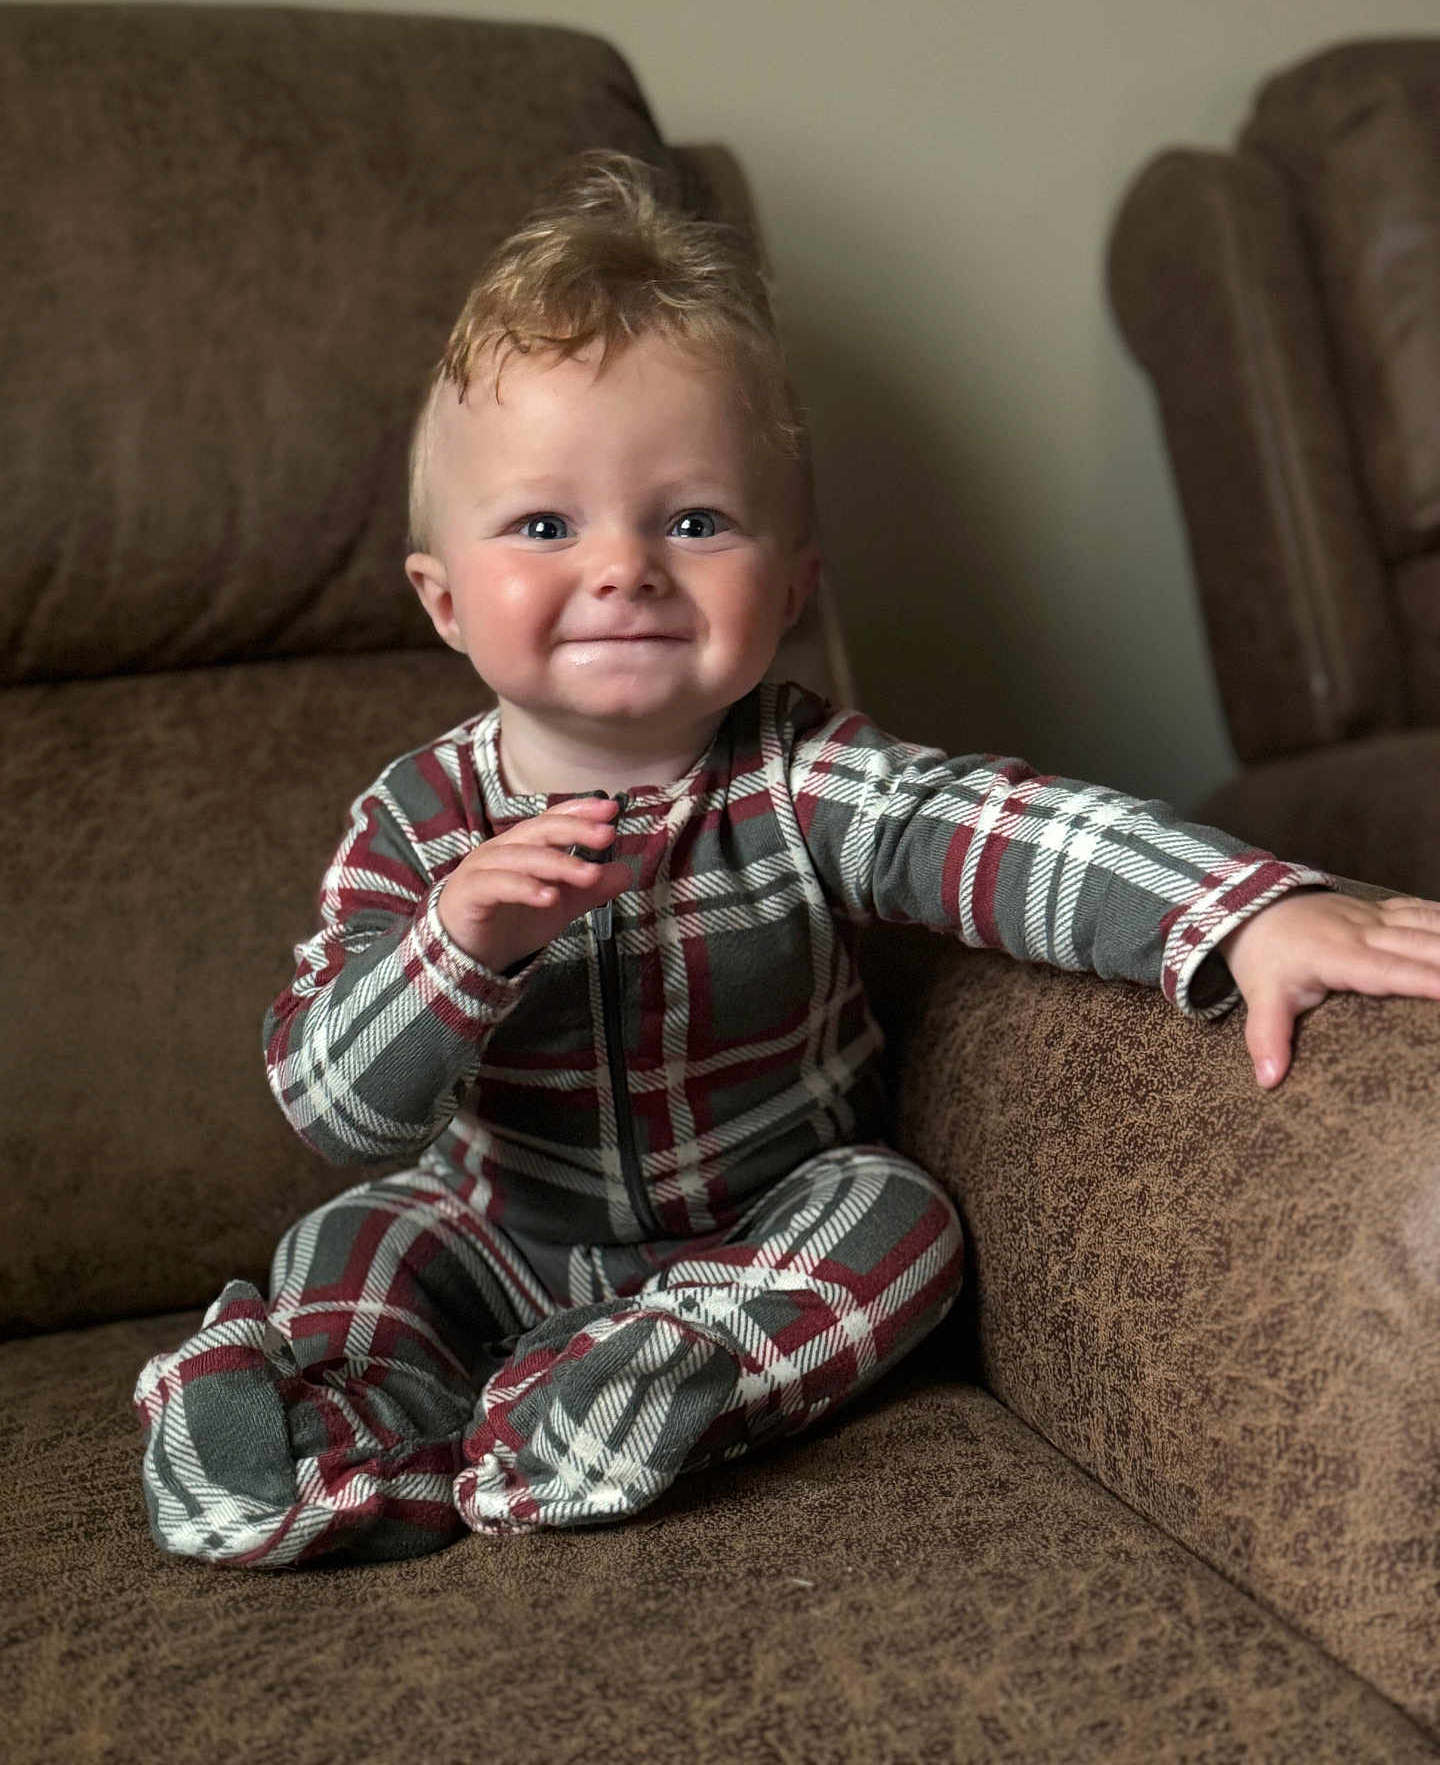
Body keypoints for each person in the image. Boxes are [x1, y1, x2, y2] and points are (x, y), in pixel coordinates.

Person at [133, 152, 1440, 1570]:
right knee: (350, 1243)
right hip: (493, 1224)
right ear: (445, 600)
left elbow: (1013, 829)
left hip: (758, 1224)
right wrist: (455, 947)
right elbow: (331, 1103)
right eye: (545, 524)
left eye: (695, 520)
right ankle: (308, 1445)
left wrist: (1247, 913)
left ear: (793, 585)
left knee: (906, 1222)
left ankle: (605, 1399)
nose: (627, 565)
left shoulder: (803, 777)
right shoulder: (415, 819)